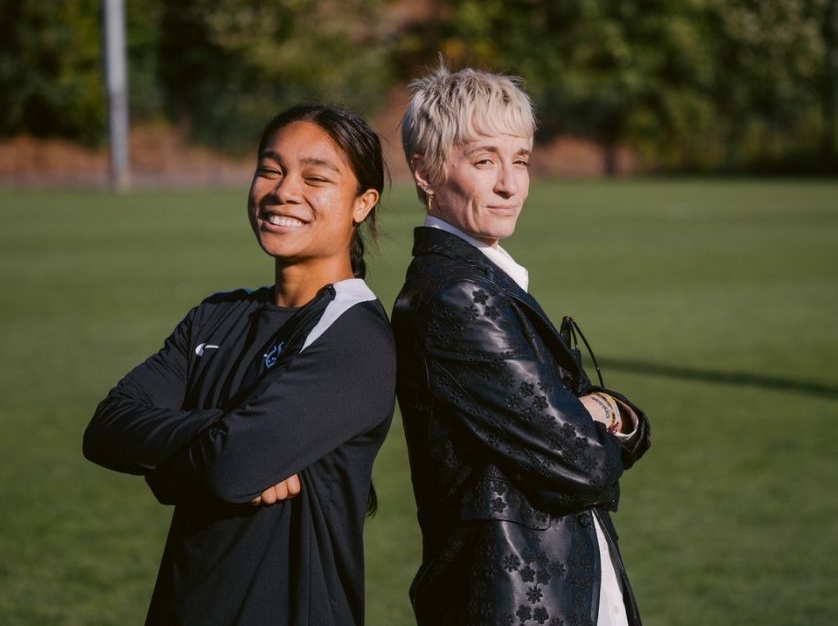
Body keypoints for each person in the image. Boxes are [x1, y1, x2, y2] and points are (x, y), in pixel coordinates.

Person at [83, 105, 396, 625]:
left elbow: (231, 469)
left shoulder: (355, 335)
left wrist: (177, 465)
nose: (283, 191)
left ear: (362, 204)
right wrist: (219, 435)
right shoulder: (215, 316)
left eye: (315, 177)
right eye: (270, 169)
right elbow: (107, 427)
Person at [391, 66, 652, 626]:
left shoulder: (486, 281)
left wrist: (603, 411)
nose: (510, 183)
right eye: (484, 160)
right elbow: (586, 464)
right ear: (425, 171)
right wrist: (597, 411)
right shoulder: (457, 298)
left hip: (561, 589)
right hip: (513, 603)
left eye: (521, 160)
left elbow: (618, 433)